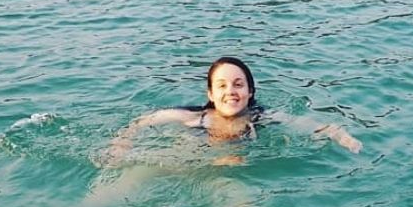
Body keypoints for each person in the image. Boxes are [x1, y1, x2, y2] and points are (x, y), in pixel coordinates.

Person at [105, 56, 361, 165]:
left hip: (230, 167)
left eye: (239, 85)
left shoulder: (262, 118)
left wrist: (340, 135)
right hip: (187, 160)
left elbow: (312, 125)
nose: (231, 91)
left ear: (250, 92)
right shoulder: (194, 117)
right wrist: (122, 142)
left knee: (234, 163)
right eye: (222, 85)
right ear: (211, 94)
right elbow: (143, 122)